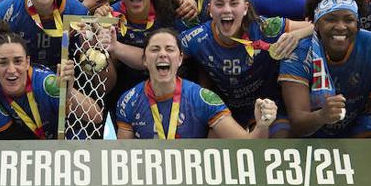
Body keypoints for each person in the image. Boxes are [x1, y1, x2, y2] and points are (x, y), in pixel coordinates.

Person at [180, 0, 305, 133]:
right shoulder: (197, 38)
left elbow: (315, 27)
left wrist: (296, 35)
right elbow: (161, 52)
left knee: (280, 141)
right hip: (228, 112)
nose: (226, 10)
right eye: (219, 4)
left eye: (234, 4)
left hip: (271, 106)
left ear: (245, 8)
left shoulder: (264, 27)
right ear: (210, 10)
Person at [115, 26, 277, 139]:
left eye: (170, 49)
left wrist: (262, 126)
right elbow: (121, 159)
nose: (163, 54)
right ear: (144, 60)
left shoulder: (202, 98)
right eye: (155, 49)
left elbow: (247, 145)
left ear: (180, 59)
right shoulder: (129, 100)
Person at [279, 0, 371, 138]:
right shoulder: (298, 53)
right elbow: (298, 123)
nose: (341, 27)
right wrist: (322, 116)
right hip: (310, 129)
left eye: (349, 20)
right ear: (316, 25)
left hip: (355, 122)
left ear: (358, 24)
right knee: (283, 137)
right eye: (331, 19)